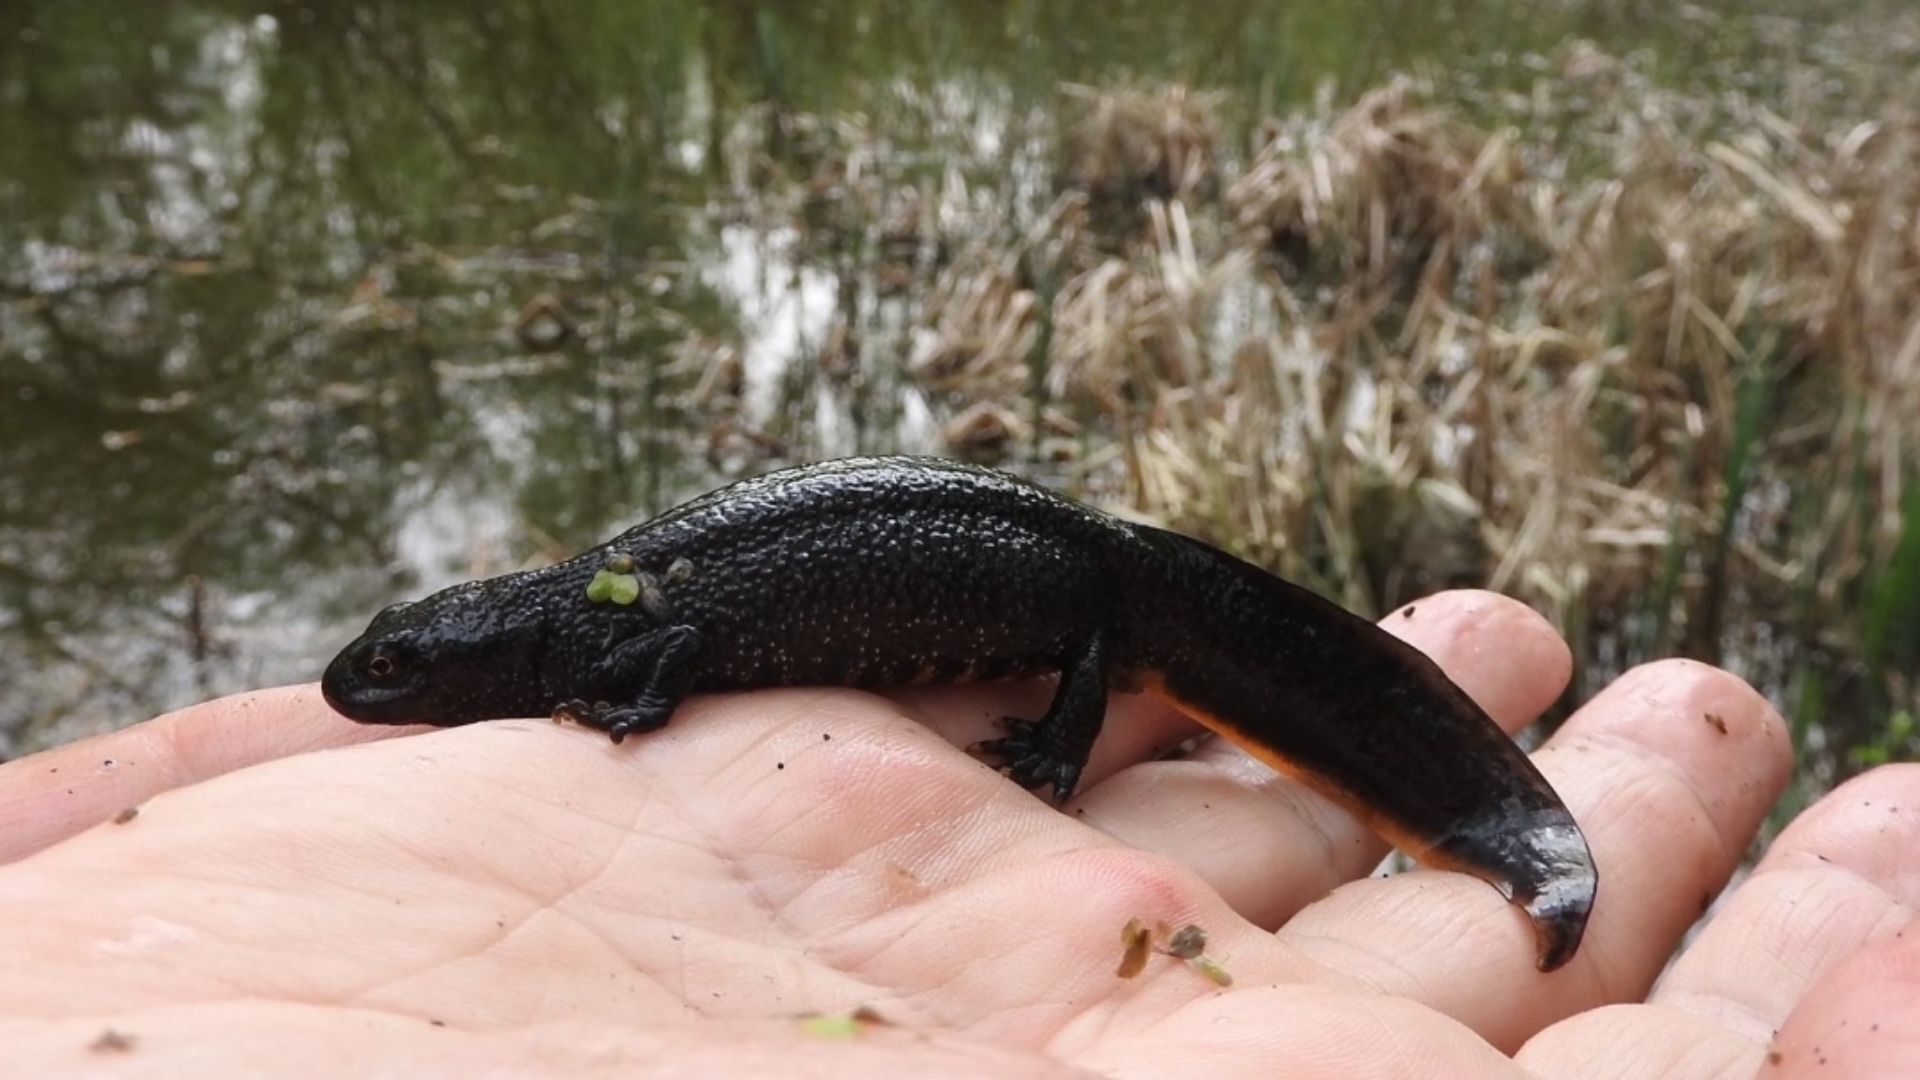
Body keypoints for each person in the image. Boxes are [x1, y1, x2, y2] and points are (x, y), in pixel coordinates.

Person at [0, 591, 1910, 1076]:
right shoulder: (570, 612)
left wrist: (1057, 746)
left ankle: (1511, 826)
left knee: (1134, 648)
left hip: (1094, 602)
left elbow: (649, 652)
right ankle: (1506, 825)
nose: (385, 695)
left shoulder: (607, 620)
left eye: (417, 677)